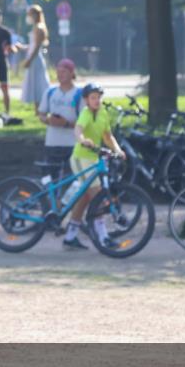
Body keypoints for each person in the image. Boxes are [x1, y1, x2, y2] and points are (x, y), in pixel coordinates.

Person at [63, 83, 125, 250]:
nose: (96, 101)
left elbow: (108, 136)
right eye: (93, 98)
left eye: (98, 97)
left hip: (93, 160)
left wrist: (118, 150)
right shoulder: (86, 113)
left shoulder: (103, 113)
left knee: (84, 199)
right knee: (97, 196)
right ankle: (104, 238)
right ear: (86, 100)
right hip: (80, 158)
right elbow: (78, 130)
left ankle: (70, 237)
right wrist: (83, 140)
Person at [36, 58, 82, 176]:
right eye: (58, 72)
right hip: (52, 143)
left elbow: (84, 122)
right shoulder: (50, 92)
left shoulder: (79, 94)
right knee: (52, 177)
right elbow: (41, 114)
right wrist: (48, 120)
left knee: (72, 178)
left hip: (72, 143)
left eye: (64, 72)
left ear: (72, 73)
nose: (60, 75)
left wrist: (66, 124)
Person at [14, 4, 50, 109]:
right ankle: (37, 109)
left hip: (35, 59)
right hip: (33, 57)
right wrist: (23, 47)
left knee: (39, 83)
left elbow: (37, 46)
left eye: (29, 14)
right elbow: (32, 45)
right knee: (34, 84)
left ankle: (41, 108)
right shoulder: (36, 27)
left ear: (34, 15)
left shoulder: (39, 28)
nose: (28, 17)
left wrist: (29, 60)